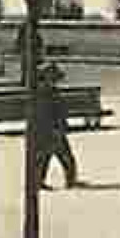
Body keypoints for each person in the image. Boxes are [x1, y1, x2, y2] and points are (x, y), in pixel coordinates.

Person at [33, 62, 81, 190]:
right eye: (54, 78)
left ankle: (39, 180)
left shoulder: (45, 91)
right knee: (63, 156)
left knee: (45, 157)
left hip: (48, 130)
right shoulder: (45, 93)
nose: (56, 81)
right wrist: (57, 127)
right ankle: (69, 180)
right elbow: (48, 113)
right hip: (50, 130)